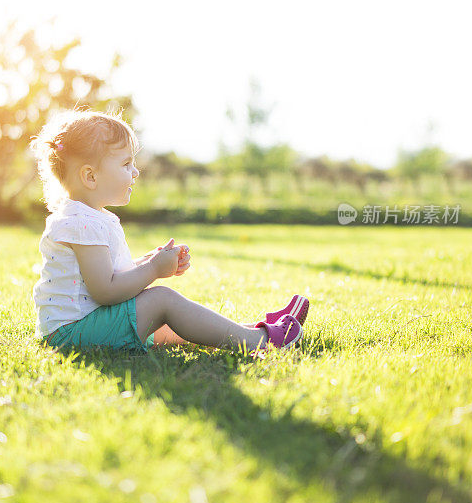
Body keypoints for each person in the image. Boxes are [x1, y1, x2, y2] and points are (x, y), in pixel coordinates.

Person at [30, 107, 308, 356]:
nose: (135, 172)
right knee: (162, 301)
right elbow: (105, 290)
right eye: (126, 164)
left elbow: (109, 274)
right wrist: (152, 269)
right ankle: (262, 340)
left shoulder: (90, 217)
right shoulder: (80, 222)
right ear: (90, 176)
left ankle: (255, 329)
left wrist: (147, 261)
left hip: (86, 325)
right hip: (72, 335)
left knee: (169, 324)